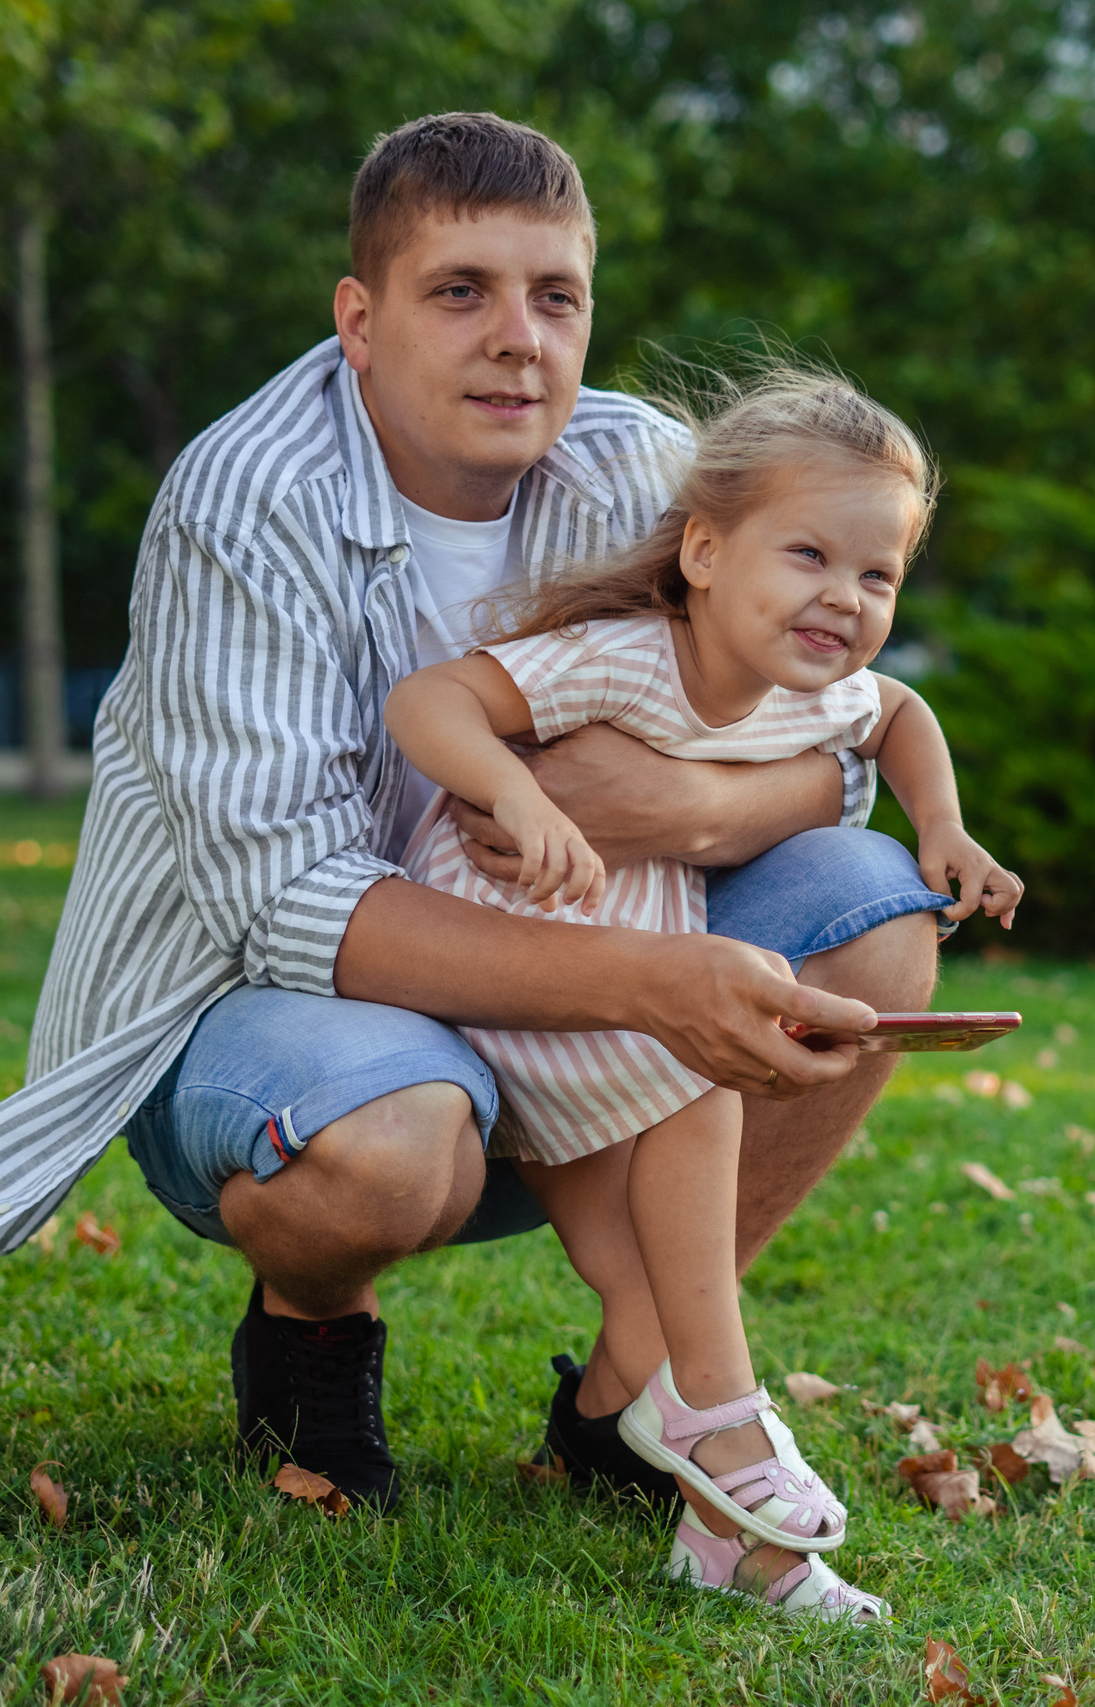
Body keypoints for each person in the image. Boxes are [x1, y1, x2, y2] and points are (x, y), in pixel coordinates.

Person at [0, 114, 953, 1538]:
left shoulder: (643, 471)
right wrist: (652, 980)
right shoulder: (246, 503)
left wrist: (688, 802)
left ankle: (644, 1375)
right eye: (461, 291)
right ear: (359, 320)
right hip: (266, 1017)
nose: (519, 338)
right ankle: (313, 1325)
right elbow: (291, 902)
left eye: (556, 296)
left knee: (869, 918)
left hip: (563, 976)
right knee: (389, 1132)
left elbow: (824, 730)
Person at [384, 371, 1021, 1621]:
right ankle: (725, 1423)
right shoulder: (625, 662)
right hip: (515, 989)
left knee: (653, 1298)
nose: (843, 597)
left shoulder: (814, 692)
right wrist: (515, 795)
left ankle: (737, 1541)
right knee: (709, 1075)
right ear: (706, 550)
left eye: (877, 576)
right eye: (808, 555)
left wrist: (941, 827)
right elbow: (432, 699)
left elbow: (897, 712)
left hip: (636, 1009)